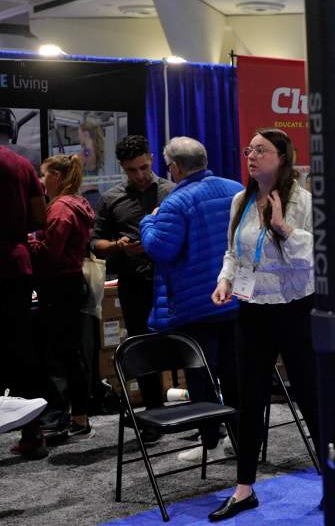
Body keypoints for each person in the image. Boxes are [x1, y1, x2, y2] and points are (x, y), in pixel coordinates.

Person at [209, 128, 320, 521]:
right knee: (248, 399)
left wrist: (282, 226)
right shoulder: (239, 200)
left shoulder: (303, 201)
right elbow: (232, 252)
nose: (252, 156)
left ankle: (333, 479)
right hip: (252, 308)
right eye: (249, 150)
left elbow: (312, 260)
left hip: (293, 307)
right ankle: (244, 489)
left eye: (261, 150)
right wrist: (224, 280)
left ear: (282, 157)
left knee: (308, 396)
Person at [138, 137, 242, 462]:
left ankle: (210, 442)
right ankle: (241, 439)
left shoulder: (175, 202)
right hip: (236, 298)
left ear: (176, 167)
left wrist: (148, 220)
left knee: (201, 377)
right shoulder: (236, 189)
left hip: (196, 306)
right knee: (235, 373)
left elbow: (160, 249)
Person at [90, 135, 174, 444]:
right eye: (131, 170)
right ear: (123, 168)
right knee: (143, 348)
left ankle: (203, 415)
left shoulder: (171, 192)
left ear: (152, 158)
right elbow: (95, 244)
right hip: (134, 285)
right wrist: (119, 246)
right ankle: (153, 414)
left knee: (188, 344)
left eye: (143, 167)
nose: (139, 175)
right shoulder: (111, 199)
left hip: (172, 282)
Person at [30, 154, 96, 440]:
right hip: (70, 283)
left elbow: (49, 253)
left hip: (58, 286)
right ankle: (78, 415)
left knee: (62, 355)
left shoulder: (59, 210)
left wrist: (25, 242)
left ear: (56, 175)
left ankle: (70, 417)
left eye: (44, 175)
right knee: (71, 353)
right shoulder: (77, 205)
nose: (41, 181)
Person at [0, 145, 49, 458]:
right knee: (22, 349)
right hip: (15, 266)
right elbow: (40, 216)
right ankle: (33, 433)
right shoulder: (20, 164)